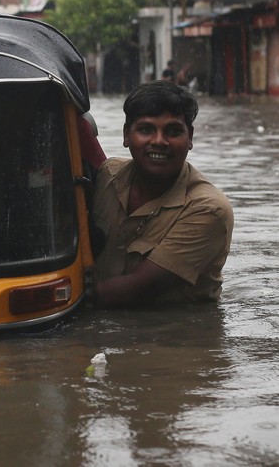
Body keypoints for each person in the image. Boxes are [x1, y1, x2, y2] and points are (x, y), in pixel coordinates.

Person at [91, 81, 233, 308]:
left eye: (173, 131)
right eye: (146, 129)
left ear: (190, 138)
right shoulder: (108, 175)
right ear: (127, 135)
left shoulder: (208, 209)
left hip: (176, 336)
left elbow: (135, 289)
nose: (159, 141)